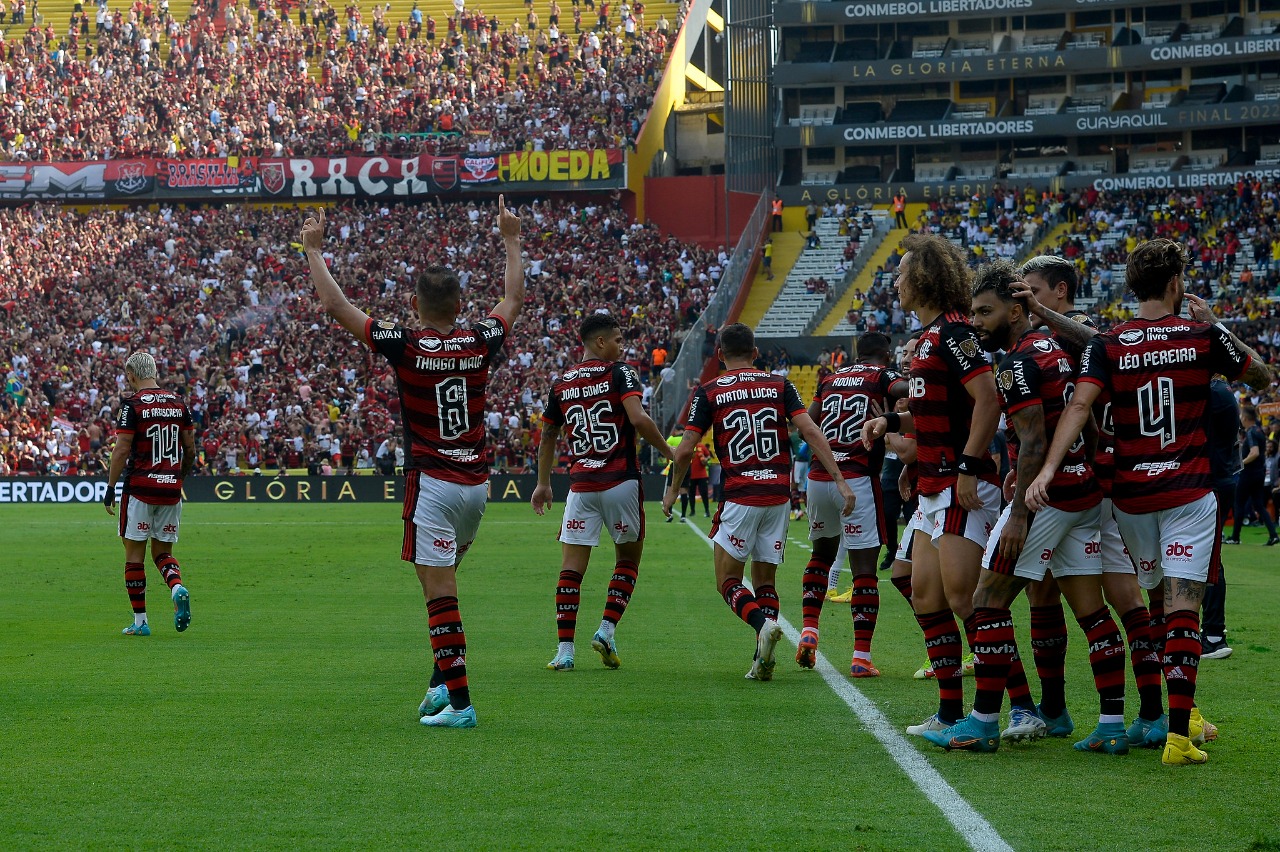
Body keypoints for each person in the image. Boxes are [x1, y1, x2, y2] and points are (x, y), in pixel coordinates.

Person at [1026, 238, 1273, 765]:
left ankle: (1171, 715)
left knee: (1158, 606)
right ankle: (1179, 736)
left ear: (1131, 287)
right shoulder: (1203, 335)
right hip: (1188, 490)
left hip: (1131, 499)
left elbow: (1078, 408)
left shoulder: (1110, 344)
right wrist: (1219, 326)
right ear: (1177, 284)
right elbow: (1262, 376)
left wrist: (1047, 467)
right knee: (1184, 608)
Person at [302, 199, 524, 730]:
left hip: (432, 484)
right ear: (460, 303)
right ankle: (439, 685)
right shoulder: (478, 339)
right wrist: (511, 239)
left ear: (414, 302)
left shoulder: (405, 343)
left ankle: (462, 705)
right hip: (476, 487)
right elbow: (513, 297)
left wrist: (313, 251)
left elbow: (336, 307)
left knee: (439, 595)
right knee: (436, 585)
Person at [924, 261, 1127, 754]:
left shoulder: (1015, 362)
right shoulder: (1052, 347)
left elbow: (1033, 440)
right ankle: (1111, 724)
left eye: (986, 311)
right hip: (1082, 494)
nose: (976, 321)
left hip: (1045, 501)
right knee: (1090, 610)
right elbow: (1081, 422)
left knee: (986, 600)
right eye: (972, 311)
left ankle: (983, 721)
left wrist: (1018, 510)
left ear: (1016, 311)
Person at [861, 234, 1039, 739]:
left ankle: (1021, 708)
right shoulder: (931, 337)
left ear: (922, 278)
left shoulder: (953, 333)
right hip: (932, 484)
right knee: (919, 589)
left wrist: (967, 466)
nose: (894, 281)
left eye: (900, 272)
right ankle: (949, 712)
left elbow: (986, 400)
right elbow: (941, 406)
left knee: (967, 599)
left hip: (962, 484)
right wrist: (892, 426)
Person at [1012, 254, 1169, 746]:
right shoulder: (1053, 344)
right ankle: (1083, 710)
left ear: (1058, 291)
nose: (1025, 299)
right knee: (1059, 594)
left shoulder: (1078, 334)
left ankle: (1141, 711)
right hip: (1087, 481)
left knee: (1118, 599)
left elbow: (1095, 363)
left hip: (1090, 487)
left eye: (1032, 290)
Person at [664, 323, 854, 681]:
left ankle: (761, 626)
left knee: (727, 581)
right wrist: (841, 480)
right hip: (778, 495)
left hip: (740, 494)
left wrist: (673, 490)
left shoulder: (708, 392)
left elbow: (686, 449)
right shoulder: (780, 384)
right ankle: (760, 659)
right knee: (765, 581)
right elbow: (811, 431)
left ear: (720, 356)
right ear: (755, 354)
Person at [532, 313, 673, 671]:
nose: (621, 346)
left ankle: (564, 652)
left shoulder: (562, 382)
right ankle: (606, 630)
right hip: (620, 481)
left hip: (580, 487)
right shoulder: (620, 372)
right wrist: (671, 453)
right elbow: (638, 419)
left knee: (570, 570)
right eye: (617, 339)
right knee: (627, 561)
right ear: (599, 342)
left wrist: (543, 483)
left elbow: (548, 434)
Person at [797, 331, 907, 676]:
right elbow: (909, 392)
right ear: (886, 355)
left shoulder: (830, 377)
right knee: (864, 570)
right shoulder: (882, 375)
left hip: (819, 477)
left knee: (820, 555)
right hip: (857, 477)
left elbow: (806, 424)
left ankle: (809, 632)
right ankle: (861, 657)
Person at [105, 352, 196, 637]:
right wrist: (178, 479)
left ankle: (141, 622)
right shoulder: (179, 403)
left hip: (140, 488)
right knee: (162, 553)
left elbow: (121, 449)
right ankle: (177, 586)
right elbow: (191, 449)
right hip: (170, 488)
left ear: (132, 375)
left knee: (134, 556)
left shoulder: (132, 405)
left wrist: (109, 489)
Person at [1203, 376, 1241, 660]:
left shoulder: (1213, 392)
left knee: (1209, 561)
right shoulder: (1223, 389)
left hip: (1213, 480)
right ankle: (1213, 632)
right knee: (1209, 559)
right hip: (1222, 477)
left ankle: (1214, 635)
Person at [1227, 404, 1279, 545]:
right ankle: (1273, 535)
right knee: (1259, 505)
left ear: (1245, 417)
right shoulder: (1260, 431)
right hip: (1259, 473)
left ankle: (1235, 537)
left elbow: (1254, 452)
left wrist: (1241, 464)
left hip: (1249, 474)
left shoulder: (1250, 432)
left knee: (1238, 503)